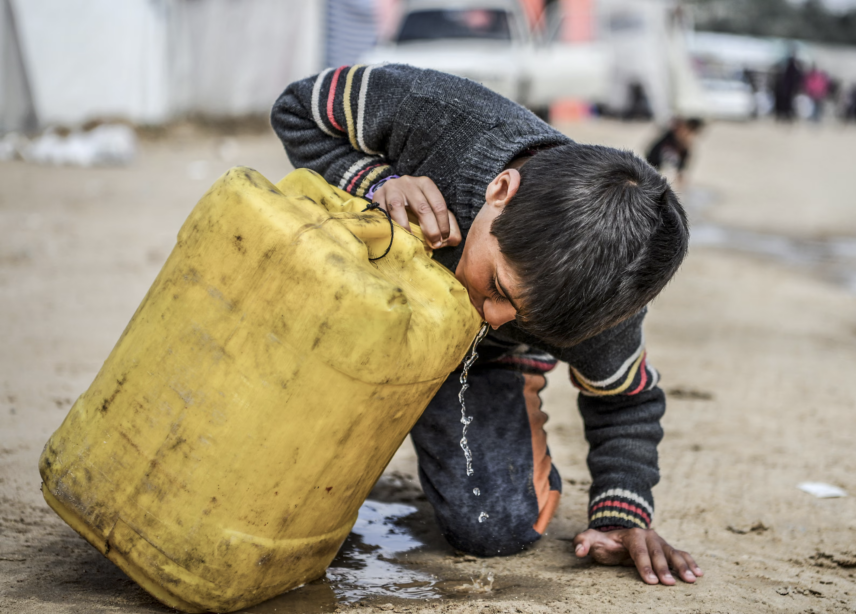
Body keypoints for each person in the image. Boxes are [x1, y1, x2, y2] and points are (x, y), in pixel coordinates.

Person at [271, 63, 701, 586]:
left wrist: (622, 515)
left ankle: (503, 377)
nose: (493, 313)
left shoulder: (604, 317)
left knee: (492, 527)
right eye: (497, 286)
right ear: (500, 191)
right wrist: (376, 183)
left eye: (524, 317)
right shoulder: (438, 113)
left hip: (475, 357)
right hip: (346, 299)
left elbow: (625, 400)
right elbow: (297, 107)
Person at [645, 117, 704, 187]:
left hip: (659, 161)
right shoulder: (672, 137)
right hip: (657, 160)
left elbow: (683, 157)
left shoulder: (682, 142)